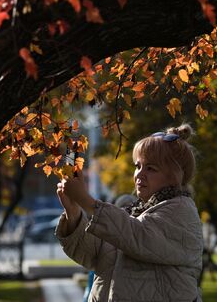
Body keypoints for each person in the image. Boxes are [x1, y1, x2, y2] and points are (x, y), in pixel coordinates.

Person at [56, 124, 203, 301]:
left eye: (151, 168)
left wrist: (87, 201)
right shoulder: (134, 212)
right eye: (138, 166)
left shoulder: (182, 211)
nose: (139, 174)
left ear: (175, 175)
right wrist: (73, 212)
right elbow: (92, 255)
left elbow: (138, 235)